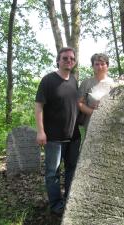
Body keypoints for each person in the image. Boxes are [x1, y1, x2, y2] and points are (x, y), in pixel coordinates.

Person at [35, 47, 81, 215]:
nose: (68, 61)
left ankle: (69, 201)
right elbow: (38, 106)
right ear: (58, 60)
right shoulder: (48, 80)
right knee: (52, 173)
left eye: (71, 58)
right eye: (65, 58)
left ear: (74, 62)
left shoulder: (74, 80)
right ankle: (56, 205)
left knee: (71, 169)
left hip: (74, 137)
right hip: (53, 138)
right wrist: (40, 131)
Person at [77, 53, 114, 129]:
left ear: (107, 66)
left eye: (102, 64)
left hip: (110, 123)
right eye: (96, 64)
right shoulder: (86, 83)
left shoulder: (114, 84)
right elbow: (79, 103)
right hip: (91, 124)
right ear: (93, 66)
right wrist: (94, 113)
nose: (99, 67)